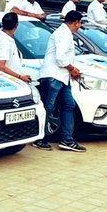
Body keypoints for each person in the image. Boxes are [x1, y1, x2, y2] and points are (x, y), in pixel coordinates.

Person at [38, 10, 85, 152]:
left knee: (68, 105)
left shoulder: (66, 33)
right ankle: (40, 138)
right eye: (79, 23)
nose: (80, 26)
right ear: (75, 22)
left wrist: (71, 70)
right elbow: (60, 58)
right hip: (54, 76)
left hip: (62, 77)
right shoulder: (64, 34)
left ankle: (66, 139)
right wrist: (72, 69)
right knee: (49, 107)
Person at [0, 13, 31, 83]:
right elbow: (1, 67)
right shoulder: (4, 41)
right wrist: (20, 77)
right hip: (7, 81)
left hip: (13, 80)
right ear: (16, 25)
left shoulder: (7, 37)